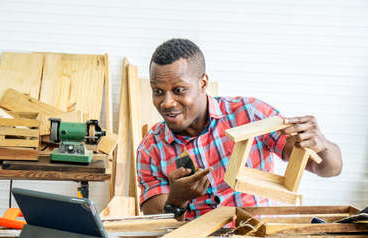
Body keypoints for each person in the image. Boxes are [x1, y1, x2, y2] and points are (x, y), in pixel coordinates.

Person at [136, 38, 343, 220]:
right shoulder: (150, 148)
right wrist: (176, 201)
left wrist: (322, 146)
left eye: (179, 90)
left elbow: (329, 169)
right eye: (158, 92)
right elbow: (156, 222)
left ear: (203, 83)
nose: (167, 103)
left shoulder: (250, 114)